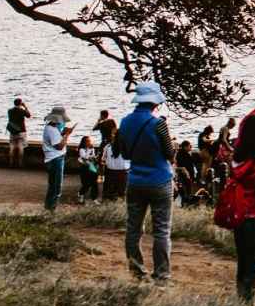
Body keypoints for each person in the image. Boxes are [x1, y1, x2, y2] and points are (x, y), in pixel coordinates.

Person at [114, 81, 175, 282]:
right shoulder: (158, 124)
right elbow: (170, 153)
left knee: (133, 228)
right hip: (160, 179)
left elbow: (124, 152)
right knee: (161, 230)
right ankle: (161, 275)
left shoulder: (124, 122)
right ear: (154, 102)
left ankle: (137, 271)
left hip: (135, 180)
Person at [224, 113, 255, 305]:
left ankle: (240, 300)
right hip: (253, 219)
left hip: (237, 215)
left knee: (243, 261)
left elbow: (246, 121)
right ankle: (246, 304)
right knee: (253, 265)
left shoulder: (238, 157)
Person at [40, 106, 74, 212]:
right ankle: (52, 208)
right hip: (56, 159)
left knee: (52, 185)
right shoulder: (53, 130)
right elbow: (59, 146)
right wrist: (67, 135)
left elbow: (56, 141)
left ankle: (48, 207)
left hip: (52, 158)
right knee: (56, 186)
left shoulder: (49, 127)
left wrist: (63, 134)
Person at [6, 98, 32, 168]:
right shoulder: (22, 111)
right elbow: (29, 115)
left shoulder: (9, 111)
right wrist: (25, 107)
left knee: (12, 146)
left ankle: (11, 162)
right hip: (21, 131)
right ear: (20, 103)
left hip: (12, 131)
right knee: (21, 147)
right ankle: (20, 163)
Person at [174, 140, 201, 204]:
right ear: (185, 147)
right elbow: (182, 164)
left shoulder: (185, 153)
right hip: (184, 174)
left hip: (188, 173)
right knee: (187, 187)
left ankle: (188, 198)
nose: (191, 148)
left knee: (188, 187)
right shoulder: (181, 154)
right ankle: (187, 199)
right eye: (189, 146)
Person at [75, 135, 101, 202]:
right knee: (86, 184)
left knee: (94, 183)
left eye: (89, 141)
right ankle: (81, 194)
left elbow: (93, 157)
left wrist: (93, 154)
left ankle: (94, 198)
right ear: (84, 142)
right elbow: (85, 157)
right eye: (87, 141)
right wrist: (90, 151)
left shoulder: (91, 148)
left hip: (91, 166)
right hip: (84, 167)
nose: (89, 142)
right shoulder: (81, 149)